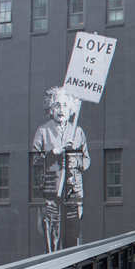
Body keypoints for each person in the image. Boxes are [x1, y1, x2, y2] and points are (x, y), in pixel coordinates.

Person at [32, 87, 89, 253]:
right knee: (52, 234)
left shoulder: (77, 132)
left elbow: (86, 160)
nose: (61, 109)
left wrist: (75, 159)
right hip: (51, 191)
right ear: (50, 108)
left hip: (73, 191)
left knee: (73, 233)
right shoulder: (43, 132)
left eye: (65, 105)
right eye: (57, 105)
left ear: (71, 109)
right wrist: (55, 152)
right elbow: (35, 159)